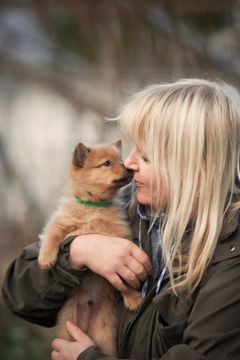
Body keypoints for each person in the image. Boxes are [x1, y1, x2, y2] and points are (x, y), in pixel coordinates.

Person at [2, 78, 240, 360]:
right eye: (133, 148)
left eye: (147, 157)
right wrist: (78, 250)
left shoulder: (229, 256)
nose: (128, 163)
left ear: (196, 169)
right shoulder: (127, 207)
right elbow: (19, 295)